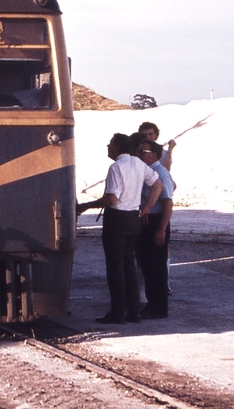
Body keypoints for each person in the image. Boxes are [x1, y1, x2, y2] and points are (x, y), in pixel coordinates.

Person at [77, 133, 163, 324]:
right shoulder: (139, 164)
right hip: (134, 218)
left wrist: (86, 205)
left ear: (118, 146)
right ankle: (134, 311)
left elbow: (111, 199)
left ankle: (117, 312)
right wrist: (146, 208)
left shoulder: (116, 167)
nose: (108, 147)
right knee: (129, 265)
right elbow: (158, 185)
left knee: (115, 267)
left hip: (117, 218)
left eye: (110, 144)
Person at [136, 140, 174, 319]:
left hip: (157, 222)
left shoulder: (161, 173)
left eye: (143, 151)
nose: (140, 154)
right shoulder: (148, 173)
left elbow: (167, 202)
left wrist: (161, 229)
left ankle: (159, 307)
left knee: (157, 267)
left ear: (154, 155)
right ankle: (152, 305)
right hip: (146, 221)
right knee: (148, 266)